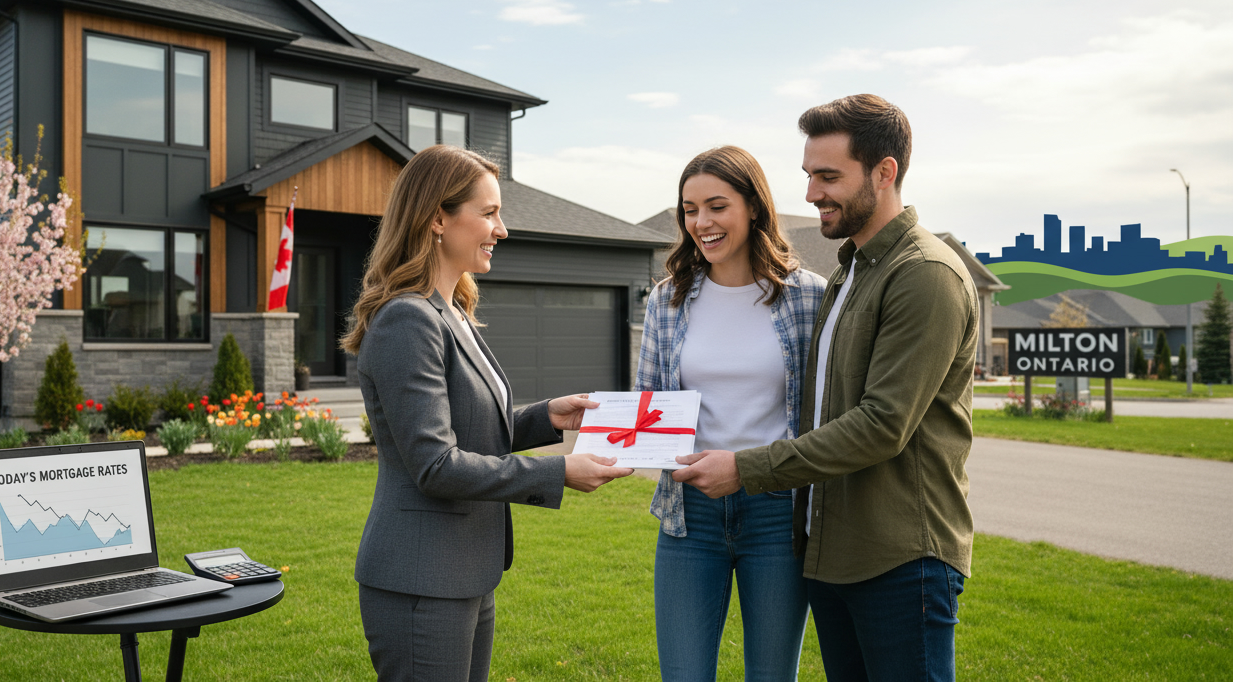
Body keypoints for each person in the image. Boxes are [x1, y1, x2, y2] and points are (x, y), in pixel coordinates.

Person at [673, 95, 978, 682]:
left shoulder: (924, 275)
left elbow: (882, 423)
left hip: (901, 556)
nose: (811, 193)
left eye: (829, 176)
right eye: (809, 175)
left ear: (884, 172)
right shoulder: (850, 272)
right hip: (832, 552)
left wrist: (747, 467)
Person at [342, 144, 633, 682]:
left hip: (464, 573)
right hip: (420, 580)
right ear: (436, 218)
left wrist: (549, 417)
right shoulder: (407, 320)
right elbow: (436, 464)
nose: (502, 229)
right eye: (489, 213)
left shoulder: (451, 312)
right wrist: (559, 472)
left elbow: (470, 428)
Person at [638, 146, 826, 681]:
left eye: (717, 206)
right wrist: (617, 439)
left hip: (778, 514)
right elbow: (649, 400)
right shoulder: (667, 300)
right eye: (689, 209)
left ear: (753, 208)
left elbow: (824, 412)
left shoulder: (807, 297)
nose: (702, 222)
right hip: (689, 515)